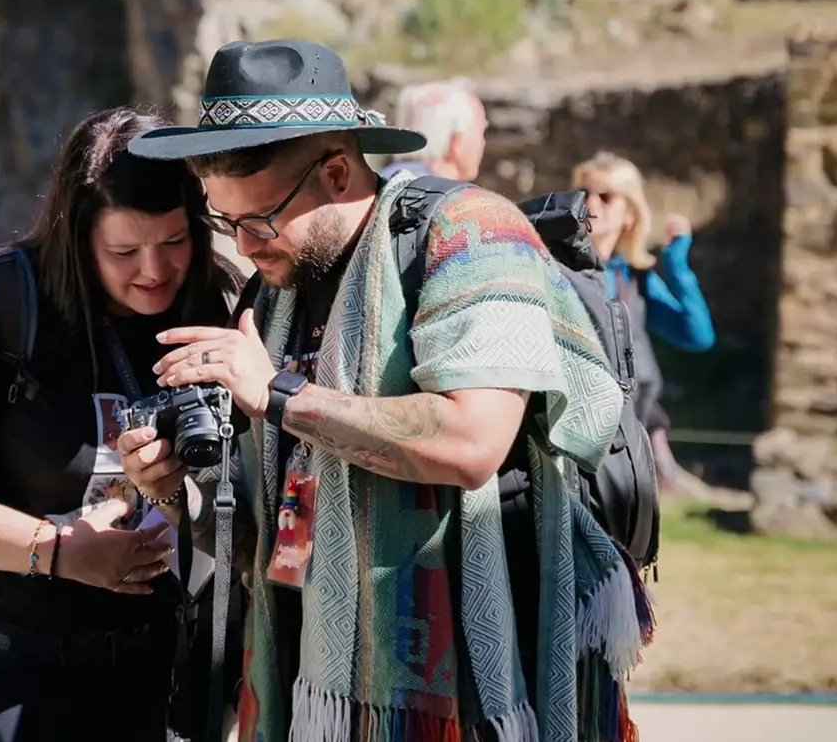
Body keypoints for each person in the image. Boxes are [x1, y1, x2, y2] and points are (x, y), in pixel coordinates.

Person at [119, 39, 641, 742]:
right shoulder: (274, 296)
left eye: (258, 220)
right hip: (315, 686)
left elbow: (472, 440)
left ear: (336, 172)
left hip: (481, 680)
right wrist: (172, 488)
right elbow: (266, 539)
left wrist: (276, 393)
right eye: (225, 221)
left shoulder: (471, 234)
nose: (242, 245)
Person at [0, 107, 244, 742]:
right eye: (124, 251)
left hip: (173, 674)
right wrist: (58, 552)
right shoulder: (2, 305)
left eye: (175, 242)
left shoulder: (225, 303)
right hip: (11, 674)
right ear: (77, 238)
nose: (154, 271)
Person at [571, 151, 716, 489]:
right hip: (579, 428)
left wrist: (677, 264)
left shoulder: (635, 278)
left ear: (630, 214)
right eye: (583, 194)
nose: (591, 203)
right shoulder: (559, 269)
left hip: (635, 427)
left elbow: (697, 335)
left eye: (605, 196)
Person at [375, 77, 488, 182]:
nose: (483, 143)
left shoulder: (375, 184)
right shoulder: (454, 198)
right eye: (481, 131)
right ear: (456, 141)